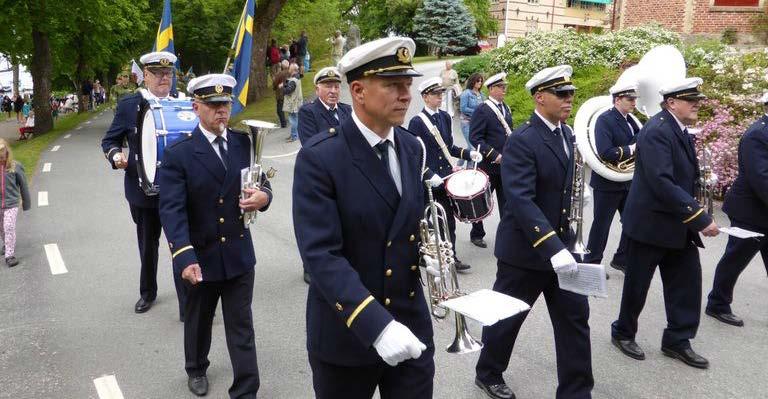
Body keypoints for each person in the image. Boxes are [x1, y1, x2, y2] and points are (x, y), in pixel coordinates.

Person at [293, 37, 438, 399]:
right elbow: (322, 255)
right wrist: (377, 326)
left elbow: (411, 223)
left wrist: (433, 259)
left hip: (409, 323)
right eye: (393, 85)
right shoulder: (321, 158)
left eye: (408, 84)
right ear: (357, 90)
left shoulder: (410, 146)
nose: (407, 94)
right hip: (348, 332)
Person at [474, 65, 593, 399]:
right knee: (506, 319)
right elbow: (520, 201)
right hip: (526, 253)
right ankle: (488, 372)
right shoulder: (523, 140)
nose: (569, 99)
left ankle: (576, 391)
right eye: (562, 94)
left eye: (571, 93)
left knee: (575, 321)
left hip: (563, 250)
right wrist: (553, 247)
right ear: (540, 97)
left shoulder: (567, 134)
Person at [158, 73, 271, 398]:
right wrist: (184, 255)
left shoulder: (243, 142)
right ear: (196, 107)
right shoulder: (179, 153)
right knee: (199, 320)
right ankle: (195, 367)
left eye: (226, 103)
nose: (222, 110)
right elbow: (172, 210)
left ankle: (246, 390)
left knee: (241, 327)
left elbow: (260, 182)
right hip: (201, 255)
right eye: (213, 105)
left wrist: (263, 197)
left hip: (237, 253)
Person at [611, 77, 719, 369]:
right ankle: (623, 332)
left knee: (686, 283)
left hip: (677, 224)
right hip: (651, 224)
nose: (697, 104)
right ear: (672, 103)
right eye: (691, 100)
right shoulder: (658, 130)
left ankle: (677, 340)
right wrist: (699, 217)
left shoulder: (678, 128)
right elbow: (661, 181)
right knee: (637, 285)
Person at [100, 51, 188, 319]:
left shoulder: (183, 104)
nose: (164, 78)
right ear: (145, 75)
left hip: (177, 192)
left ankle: (188, 303)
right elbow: (110, 140)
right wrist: (116, 156)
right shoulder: (129, 105)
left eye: (168, 74)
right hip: (142, 191)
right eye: (158, 74)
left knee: (181, 245)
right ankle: (148, 292)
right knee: (148, 246)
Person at [705, 92, 768, 327]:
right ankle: (717, 304)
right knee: (735, 258)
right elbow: (761, 178)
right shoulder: (757, 134)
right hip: (750, 211)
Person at [407, 76, 482, 272]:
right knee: (425, 221)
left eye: (441, 93)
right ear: (425, 97)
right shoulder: (417, 122)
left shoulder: (445, 117)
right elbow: (413, 155)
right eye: (435, 94)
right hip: (429, 181)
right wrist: (428, 174)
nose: (440, 97)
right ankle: (424, 253)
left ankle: (450, 257)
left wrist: (468, 153)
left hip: (446, 179)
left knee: (447, 220)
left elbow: (448, 148)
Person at [583, 81, 640, 271]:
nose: (634, 103)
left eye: (634, 99)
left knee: (633, 221)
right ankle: (592, 263)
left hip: (627, 181)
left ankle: (621, 258)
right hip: (607, 182)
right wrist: (632, 148)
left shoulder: (631, 120)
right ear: (617, 100)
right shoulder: (605, 120)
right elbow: (606, 152)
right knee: (602, 225)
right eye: (630, 99)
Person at [468, 72, 512, 249]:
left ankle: (507, 234)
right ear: (491, 89)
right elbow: (475, 137)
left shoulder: (506, 108)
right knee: (481, 201)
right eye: (501, 87)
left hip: (506, 165)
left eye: (505, 87)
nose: (504, 90)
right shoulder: (482, 109)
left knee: (507, 202)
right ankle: (477, 233)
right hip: (488, 164)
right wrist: (494, 155)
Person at [298, 66, 352, 145]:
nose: (333, 91)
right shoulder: (308, 112)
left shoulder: (347, 109)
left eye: (336, 87)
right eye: (328, 86)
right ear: (317, 90)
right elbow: (310, 145)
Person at [0, 139, 30, 267]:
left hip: (11, 203)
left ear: (6, 150)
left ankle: (9, 255)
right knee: (1, 228)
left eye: (2, 150)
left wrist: (26, 202)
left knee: (9, 227)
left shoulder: (15, 166)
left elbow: (23, 186)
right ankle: (7, 244)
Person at [459, 73, 485, 163]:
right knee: (473, 147)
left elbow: (484, 107)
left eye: (481, 81)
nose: (480, 82)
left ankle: (458, 165)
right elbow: (463, 108)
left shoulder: (481, 94)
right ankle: (469, 168)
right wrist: (477, 111)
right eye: (478, 80)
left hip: (476, 123)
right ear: (473, 81)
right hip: (466, 123)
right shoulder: (466, 93)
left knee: (470, 147)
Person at [282, 63, 303, 143]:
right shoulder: (296, 78)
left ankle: (294, 136)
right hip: (296, 102)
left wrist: (283, 86)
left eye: (290, 68)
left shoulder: (293, 80)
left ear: (293, 70)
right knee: (294, 119)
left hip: (293, 103)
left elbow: (288, 91)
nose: (289, 70)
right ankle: (294, 134)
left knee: (293, 120)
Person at [272, 60, 290, 128]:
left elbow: (275, 83)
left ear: (282, 66)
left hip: (281, 93)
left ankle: (283, 123)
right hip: (289, 91)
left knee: (279, 109)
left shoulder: (280, 74)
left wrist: (274, 86)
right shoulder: (290, 72)